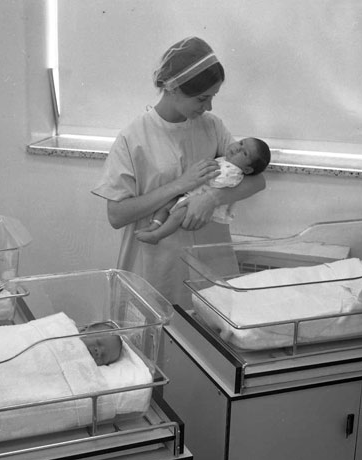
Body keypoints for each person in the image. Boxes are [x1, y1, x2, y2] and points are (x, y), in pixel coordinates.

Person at [91, 37, 266, 306]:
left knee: (208, 337)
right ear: (172, 88)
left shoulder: (212, 127)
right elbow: (117, 215)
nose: (208, 107)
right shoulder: (134, 137)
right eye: (202, 98)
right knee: (158, 336)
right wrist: (180, 184)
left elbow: (258, 181)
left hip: (208, 261)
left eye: (212, 97)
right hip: (156, 263)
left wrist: (210, 199)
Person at [135, 137, 271, 244]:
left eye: (244, 153)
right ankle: (154, 225)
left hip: (197, 199)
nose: (237, 149)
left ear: (247, 170)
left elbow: (220, 182)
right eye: (241, 143)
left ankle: (156, 235)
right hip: (190, 194)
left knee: (177, 215)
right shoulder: (224, 159)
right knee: (166, 205)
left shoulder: (234, 172)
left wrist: (203, 177)